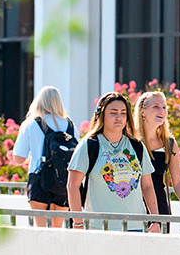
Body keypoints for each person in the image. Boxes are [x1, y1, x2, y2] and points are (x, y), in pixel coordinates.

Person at [67, 92, 160, 232]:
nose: (119, 117)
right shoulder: (89, 145)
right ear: (102, 115)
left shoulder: (137, 147)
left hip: (135, 227)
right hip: (99, 227)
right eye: (113, 113)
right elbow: (73, 185)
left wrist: (155, 219)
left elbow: (147, 186)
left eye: (123, 113)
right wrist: (78, 222)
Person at [13, 86, 79, 228]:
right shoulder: (70, 126)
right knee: (57, 229)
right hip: (63, 180)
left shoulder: (31, 124)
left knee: (41, 230)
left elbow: (18, 158)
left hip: (39, 178)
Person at [134, 92, 180, 222]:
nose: (161, 111)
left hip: (160, 207)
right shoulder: (130, 141)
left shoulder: (169, 144)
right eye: (156, 107)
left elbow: (177, 182)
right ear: (142, 112)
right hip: (134, 206)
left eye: (164, 107)